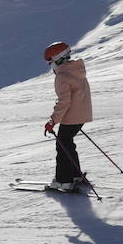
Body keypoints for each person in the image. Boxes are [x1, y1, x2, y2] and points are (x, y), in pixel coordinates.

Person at [41, 41, 93, 192]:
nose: (51, 65)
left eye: (51, 61)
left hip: (72, 117)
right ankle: (76, 175)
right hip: (81, 115)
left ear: (57, 59)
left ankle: (64, 181)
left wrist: (52, 121)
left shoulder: (63, 76)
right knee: (67, 144)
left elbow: (64, 102)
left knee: (62, 146)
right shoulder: (77, 70)